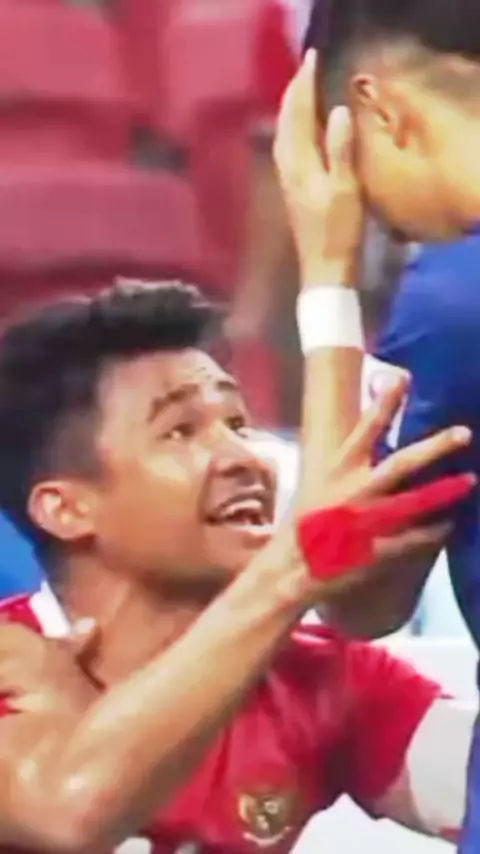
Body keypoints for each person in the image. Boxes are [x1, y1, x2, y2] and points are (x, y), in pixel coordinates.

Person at [0, 92, 474, 848]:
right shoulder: (11, 664)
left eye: (238, 422)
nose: (241, 457)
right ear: (66, 507)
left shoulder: (321, 680)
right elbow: (68, 811)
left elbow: (466, 783)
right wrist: (292, 571)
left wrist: (330, 278)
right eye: (180, 431)